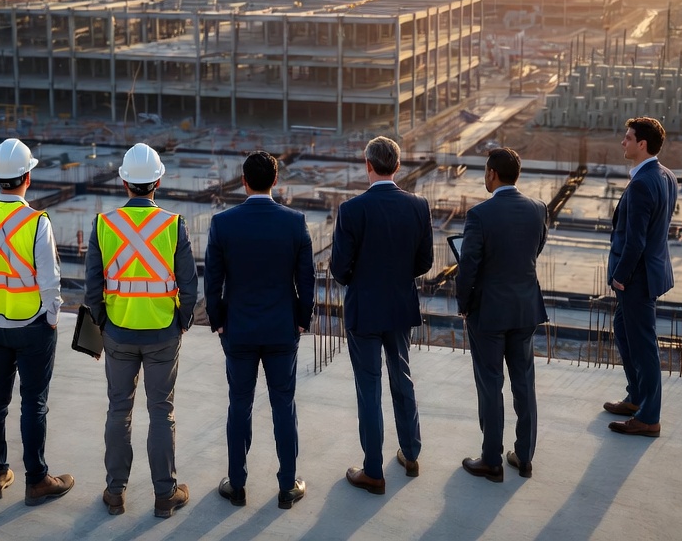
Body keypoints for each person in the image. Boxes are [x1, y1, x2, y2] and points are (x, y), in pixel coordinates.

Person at [0, 139, 75, 505]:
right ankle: (36, 480)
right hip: (34, 325)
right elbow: (49, 278)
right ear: (27, 177)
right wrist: (51, 317)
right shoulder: (36, 220)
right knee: (33, 403)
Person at [85, 143, 197, 519]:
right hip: (163, 332)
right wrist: (181, 321)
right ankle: (165, 495)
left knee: (119, 410)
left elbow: (92, 287)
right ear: (158, 181)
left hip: (118, 332)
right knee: (161, 411)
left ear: (123, 182)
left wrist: (102, 324)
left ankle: (115, 492)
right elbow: (189, 283)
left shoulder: (104, 224)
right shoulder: (173, 223)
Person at [204, 151, 315, 510]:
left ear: (243, 181)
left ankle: (236, 485)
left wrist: (218, 320)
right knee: (284, 405)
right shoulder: (295, 222)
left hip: (239, 330)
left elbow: (213, 281)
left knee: (240, 405)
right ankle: (287, 486)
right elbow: (306, 280)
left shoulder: (223, 223)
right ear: (276, 181)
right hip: (282, 329)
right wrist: (302, 318)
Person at [330, 136, 433, 495]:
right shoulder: (419, 205)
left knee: (369, 387)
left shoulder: (352, 209)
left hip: (364, 310)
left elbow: (340, 270)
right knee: (402, 378)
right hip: (400, 306)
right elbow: (425, 263)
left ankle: (373, 470)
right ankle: (411, 452)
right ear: (398, 166)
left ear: (368, 165)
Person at [455, 148, 548, 482]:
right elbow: (535, 250)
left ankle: (491, 459)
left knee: (491, 384)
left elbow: (468, 268)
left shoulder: (480, 215)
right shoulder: (539, 209)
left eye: (484, 171)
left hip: (489, 313)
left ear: (492, 173)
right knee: (524, 383)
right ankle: (524, 457)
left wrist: (463, 303)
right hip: (525, 309)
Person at [604, 116, 677, 437]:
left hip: (635, 278)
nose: (623, 142)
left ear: (642, 144)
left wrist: (620, 277)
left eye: (628, 137)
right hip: (649, 273)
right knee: (622, 329)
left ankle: (649, 417)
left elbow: (637, 240)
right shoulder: (666, 176)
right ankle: (636, 397)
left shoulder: (643, 183)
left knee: (645, 346)